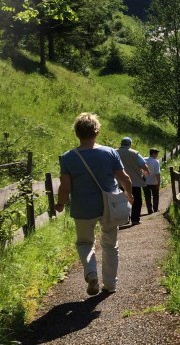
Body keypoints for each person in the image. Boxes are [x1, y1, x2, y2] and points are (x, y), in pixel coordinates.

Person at [56, 113, 133, 295]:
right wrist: (129, 195)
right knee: (110, 245)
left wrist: (60, 204)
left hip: (82, 208)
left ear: (77, 133)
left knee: (84, 242)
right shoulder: (110, 153)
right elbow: (125, 178)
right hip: (109, 207)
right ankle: (110, 284)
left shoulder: (67, 158)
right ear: (97, 131)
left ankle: (91, 273)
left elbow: (65, 187)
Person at [117, 136, 149, 225]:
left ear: (121, 144)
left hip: (119, 182)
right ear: (130, 144)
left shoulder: (115, 153)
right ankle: (135, 219)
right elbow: (143, 164)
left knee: (121, 202)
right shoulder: (134, 153)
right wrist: (147, 171)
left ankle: (123, 220)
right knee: (136, 201)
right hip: (134, 182)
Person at [143, 148, 161, 213]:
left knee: (147, 196)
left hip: (145, 181)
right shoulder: (156, 161)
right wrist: (159, 183)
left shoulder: (144, 159)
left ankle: (149, 210)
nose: (157, 155)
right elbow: (157, 173)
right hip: (154, 181)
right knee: (155, 195)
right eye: (157, 153)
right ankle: (155, 209)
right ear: (153, 153)